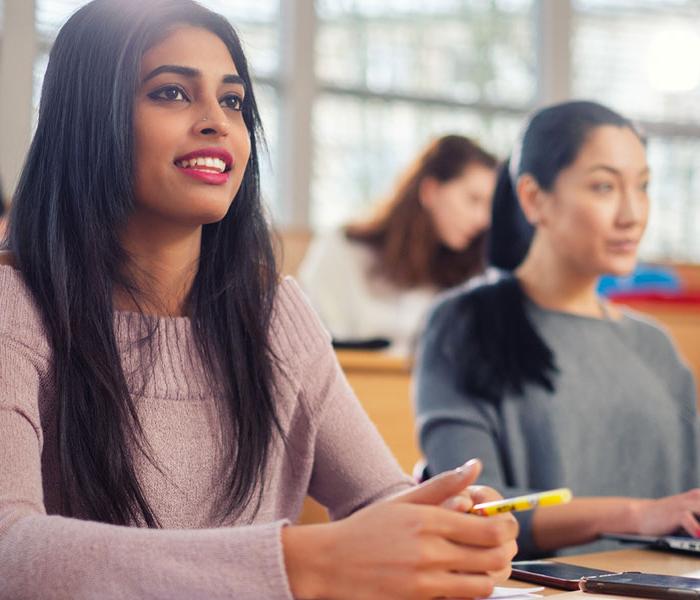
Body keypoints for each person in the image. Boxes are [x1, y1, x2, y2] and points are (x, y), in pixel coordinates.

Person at [0, 1, 518, 598]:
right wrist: (301, 562)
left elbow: (378, 497)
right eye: (171, 93)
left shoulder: (275, 315)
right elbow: (11, 547)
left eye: (234, 101)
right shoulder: (15, 307)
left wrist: (441, 523)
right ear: (87, 117)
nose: (216, 122)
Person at [414, 100, 699, 559]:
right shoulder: (464, 322)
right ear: (533, 198)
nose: (632, 214)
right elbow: (475, 505)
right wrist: (634, 516)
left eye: (643, 187)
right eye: (604, 186)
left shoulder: (655, 345)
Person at [299, 135, 497, 353]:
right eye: (473, 199)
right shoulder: (341, 250)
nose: (483, 219)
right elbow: (307, 348)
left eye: (489, 206)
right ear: (430, 191)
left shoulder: (471, 276)